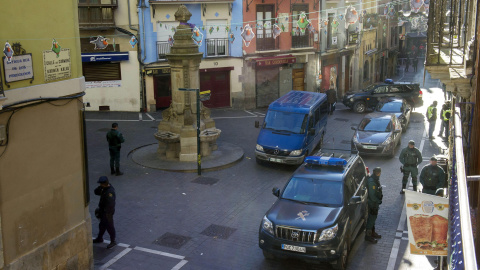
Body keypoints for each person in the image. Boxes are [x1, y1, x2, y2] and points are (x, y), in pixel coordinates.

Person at [93, 176, 117, 249]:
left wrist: (107, 214)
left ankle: (113, 241)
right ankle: (100, 238)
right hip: (103, 211)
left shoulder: (109, 192)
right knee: (102, 225)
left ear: (105, 183)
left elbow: (111, 204)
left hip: (107, 212)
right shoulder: (103, 189)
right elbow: (95, 192)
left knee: (109, 226)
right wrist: (100, 188)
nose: (100, 185)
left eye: (101, 184)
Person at [365, 167, 383, 244]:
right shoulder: (372, 182)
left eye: (379, 172)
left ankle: (372, 232)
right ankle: (368, 236)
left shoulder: (375, 179)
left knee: (373, 218)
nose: (379, 174)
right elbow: (372, 196)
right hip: (372, 203)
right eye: (378, 173)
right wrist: (378, 201)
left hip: (374, 203)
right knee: (371, 219)